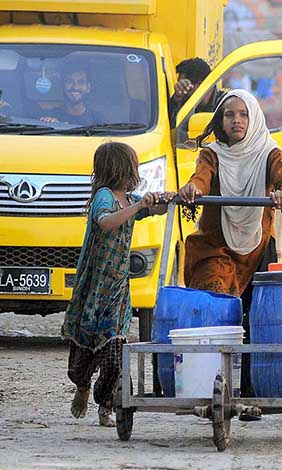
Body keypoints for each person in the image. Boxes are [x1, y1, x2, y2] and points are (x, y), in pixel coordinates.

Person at [178, 90, 282, 418]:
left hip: (258, 249)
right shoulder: (212, 154)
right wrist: (193, 190)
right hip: (217, 248)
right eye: (230, 115)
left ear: (254, 118)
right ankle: (206, 387)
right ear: (220, 120)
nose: (237, 121)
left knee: (256, 320)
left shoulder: (268, 151)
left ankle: (250, 395)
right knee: (215, 310)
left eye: (243, 114)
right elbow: (200, 180)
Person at [61, 142, 174, 427]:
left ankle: (106, 404)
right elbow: (106, 223)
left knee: (115, 351)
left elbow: (156, 209)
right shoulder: (104, 197)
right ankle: (83, 386)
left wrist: (164, 199)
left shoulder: (131, 200)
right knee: (84, 349)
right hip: (94, 288)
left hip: (117, 291)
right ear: (118, 170)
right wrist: (138, 205)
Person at [41, 62, 105, 126]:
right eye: (69, 82)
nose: (75, 87)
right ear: (63, 86)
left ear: (88, 88)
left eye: (81, 82)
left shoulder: (98, 120)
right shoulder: (50, 116)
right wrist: (52, 126)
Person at [168, 58, 225, 125]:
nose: (182, 89)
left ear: (201, 84)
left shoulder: (224, 105)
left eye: (185, 85)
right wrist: (176, 99)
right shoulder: (183, 101)